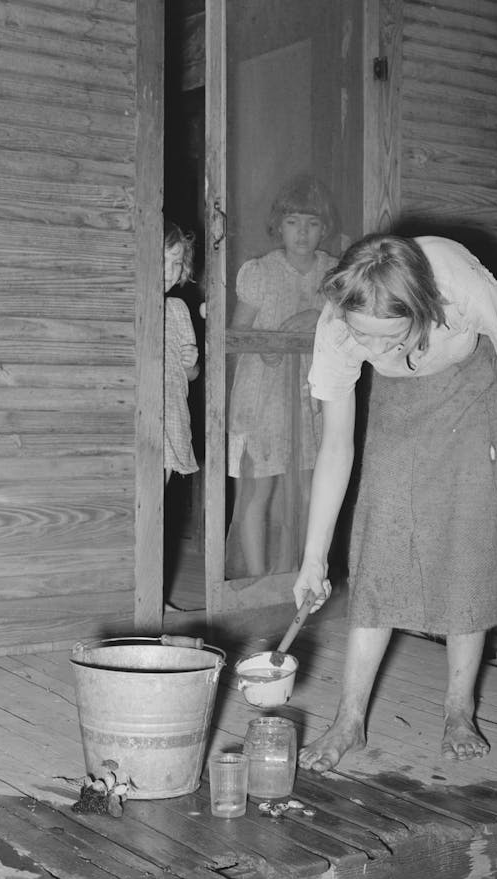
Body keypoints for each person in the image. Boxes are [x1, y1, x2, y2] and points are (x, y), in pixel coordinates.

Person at [293, 232, 497, 769]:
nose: (373, 349)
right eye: (364, 336)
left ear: (422, 309)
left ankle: (458, 709)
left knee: (468, 538)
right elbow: (335, 445)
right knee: (382, 538)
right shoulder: (337, 327)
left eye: (388, 337)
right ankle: (348, 720)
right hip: (404, 393)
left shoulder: (459, 285)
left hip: (480, 384)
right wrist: (313, 558)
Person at [226, 174, 339, 577]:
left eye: (311, 223)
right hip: (264, 396)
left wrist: (318, 315)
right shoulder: (260, 272)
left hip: (313, 395)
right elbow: (239, 335)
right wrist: (269, 345)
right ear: (279, 226)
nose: (302, 233)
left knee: (311, 490)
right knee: (260, 489)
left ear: (324, 227)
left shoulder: (335, 275)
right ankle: (258, 581)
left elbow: (350, 326)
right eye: (293, 222)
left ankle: (298, 574)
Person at [163, 220, 199, 485]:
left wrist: (191, 364)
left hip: (172, 417)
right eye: (162, 260)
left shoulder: (177, 309)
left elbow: (191, 375)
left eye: (176, 263)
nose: (169, 271)